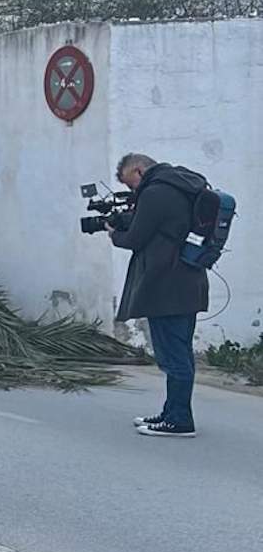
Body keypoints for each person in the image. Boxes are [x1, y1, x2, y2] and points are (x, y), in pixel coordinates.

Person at [103, 153, 210, 438]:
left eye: (131, 185)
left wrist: (113, 233)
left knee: (173, 355)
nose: (132, 191)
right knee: (180, 351)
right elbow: (159, 224)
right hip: (188, 281)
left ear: (139, 170)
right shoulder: (183, 184)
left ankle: (179, 420)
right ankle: (171, 411)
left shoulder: (156, 191)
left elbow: (136, 238)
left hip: (166, 286)